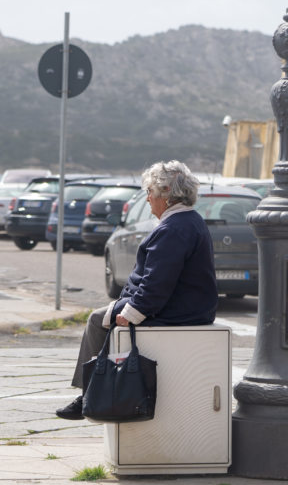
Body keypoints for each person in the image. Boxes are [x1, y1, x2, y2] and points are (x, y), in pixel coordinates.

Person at [56, 160, 218, 420]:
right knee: (104, 316)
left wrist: (133, 312)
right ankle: (90, 391)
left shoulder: (173, 228)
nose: (148, 198)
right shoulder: (189, 220)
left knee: (98, 320)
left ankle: (89, 393)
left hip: (176, 310)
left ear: (165, 193)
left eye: (150, 192)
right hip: (187, 306)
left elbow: (157, 283)